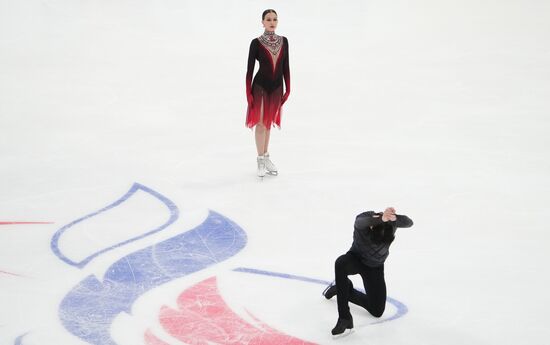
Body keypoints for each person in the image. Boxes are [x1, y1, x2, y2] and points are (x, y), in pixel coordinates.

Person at [323, 207, 413, 336]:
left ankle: (341, 289)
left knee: (377, 311)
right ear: (371, 227)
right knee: (341, 263)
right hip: (356, 260)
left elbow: (409, 222)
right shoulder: (365, 220)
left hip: (375, 267)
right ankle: (344, 317)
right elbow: (360, 221)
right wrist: (380, 218)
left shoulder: (391, 225)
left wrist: (395, 218)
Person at [245, 9, 290, 177]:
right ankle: (260, 160)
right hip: (260, 87)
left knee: (269, 123)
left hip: (277, 88)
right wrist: (247, 91)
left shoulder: (284, 41)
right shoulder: (255, 43)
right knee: (261, 124)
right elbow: (249, 70)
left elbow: (286, 66)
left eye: (275, 19)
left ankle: (266, 156)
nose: (272, 22)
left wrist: (288, 88)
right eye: (268, 19)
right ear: (262, 22)